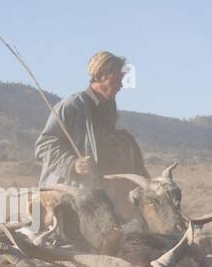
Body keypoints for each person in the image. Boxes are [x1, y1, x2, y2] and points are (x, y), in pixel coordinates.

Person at [34, 51, 147, 220]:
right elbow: (44, 146)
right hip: (64, 200)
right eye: (116, 79)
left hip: (97, 199)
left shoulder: (108, 108)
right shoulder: (71, 106)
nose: (120, 85)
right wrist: (72, 164)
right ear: (100, 76)